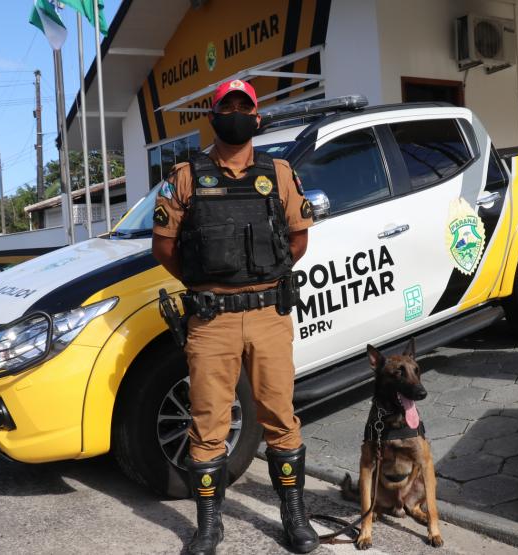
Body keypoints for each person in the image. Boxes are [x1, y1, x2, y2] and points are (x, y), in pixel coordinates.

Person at [151, 79, 318, 555]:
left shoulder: (279, 172)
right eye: (228, 107)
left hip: (268, 314)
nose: (237, 115)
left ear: (257, 118)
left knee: (280, 416)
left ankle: (295, 517)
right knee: (208, 424)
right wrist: (207, 281)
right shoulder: (186, 176)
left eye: (245, 108)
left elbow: (298, 238)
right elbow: (164, 247)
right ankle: (209, 526)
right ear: (214, 116)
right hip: (212, 321)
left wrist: (262, 274)